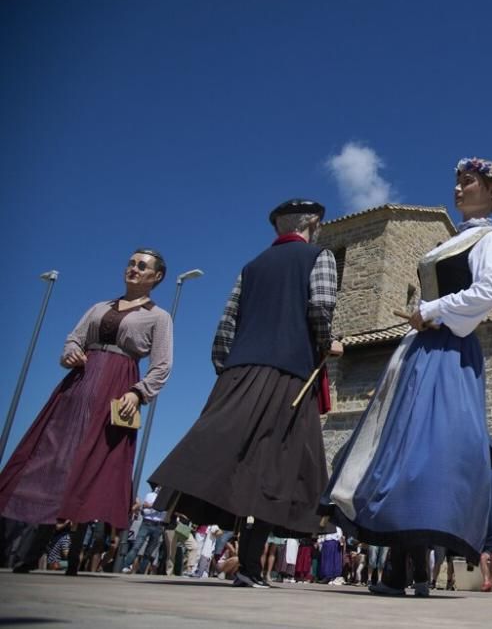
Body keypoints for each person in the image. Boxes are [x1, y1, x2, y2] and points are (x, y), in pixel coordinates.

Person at [320, 158, 492, 598]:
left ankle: (406, 564)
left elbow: (490, 290)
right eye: (457, 181)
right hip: (420, 348)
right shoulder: (460, 240)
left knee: (429, 449)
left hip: (448, 349)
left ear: (491, 191)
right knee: (402, 446)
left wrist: (429, 310)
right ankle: (408, 565)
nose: (458, 188)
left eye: (467, 182)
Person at [150, 199, 342, 590]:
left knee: (236, 458)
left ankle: (248, 565)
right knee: (278, 465)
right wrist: (326, 346)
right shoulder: (319, 256)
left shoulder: (251, 267)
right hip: (288, 373)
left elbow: (226, 325)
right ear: (313, 223)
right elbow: (321, 308)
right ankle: (250, 566)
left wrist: (228, 369)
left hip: (239, 372)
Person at [0, 249, 173, 574]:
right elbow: (73, 339)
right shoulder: (99, 307)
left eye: (142, 266)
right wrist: (70, 354)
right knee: (52, 459)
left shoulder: (158, 317)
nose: (133, 269)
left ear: (157, 277)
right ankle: (28, 547)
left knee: (94, 465)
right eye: (131, 263)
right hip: (78, 387)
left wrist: (138, 394)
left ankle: (77, 553)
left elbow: (162, 366)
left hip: (118, 390)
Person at [121, 486, 167, 574]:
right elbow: (145, 507)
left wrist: (154, 507)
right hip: (147, 522)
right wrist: (156, 506)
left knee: (149, 551)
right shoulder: (150, 495)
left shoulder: (167, 499)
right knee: (137, 546)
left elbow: (165, 511)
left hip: (159, 525)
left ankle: (141, 570)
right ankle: (125, 565)